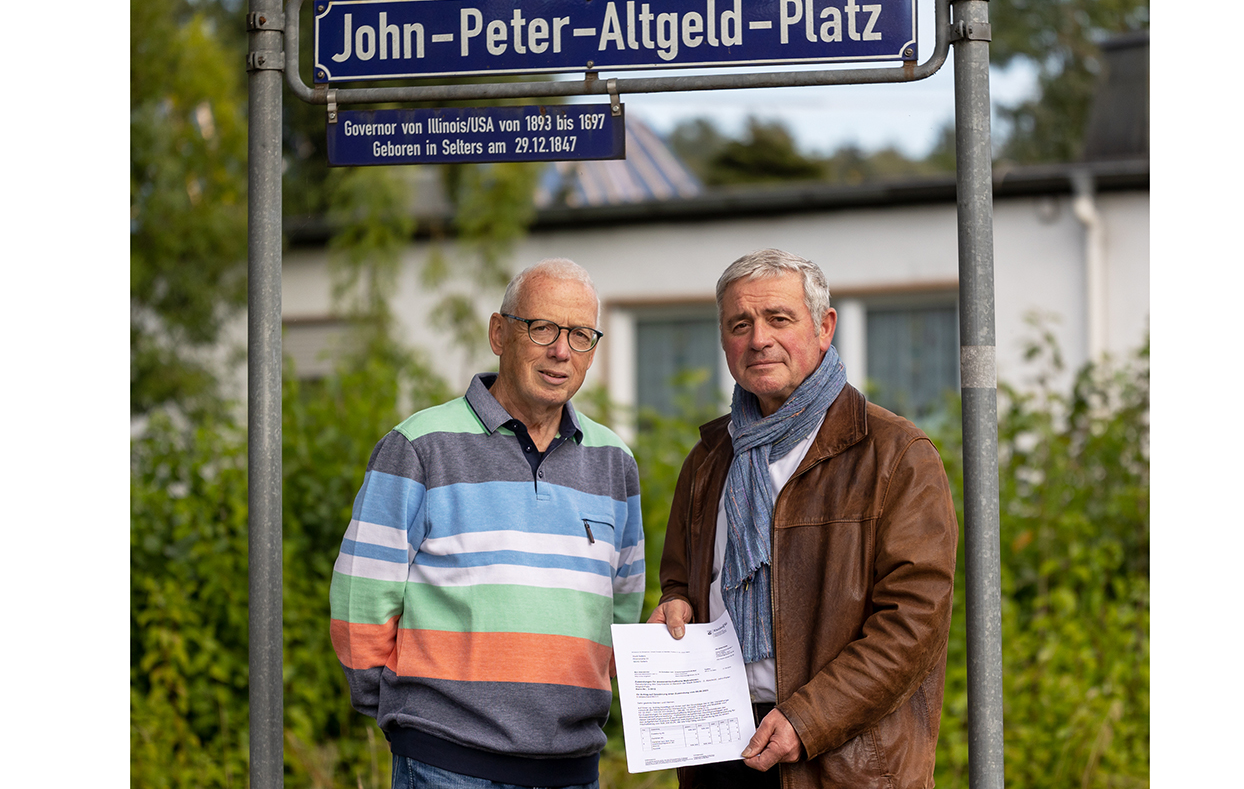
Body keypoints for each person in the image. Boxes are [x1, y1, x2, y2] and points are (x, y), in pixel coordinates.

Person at [648, 249, 958, 789]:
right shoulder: (708, 459)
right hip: (719, 752)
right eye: (739, 324)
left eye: (779, 318)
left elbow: (913, 625)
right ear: (724, 341)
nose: (759, 339)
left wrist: (807, 718)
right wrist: (675, 601)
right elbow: (681, 577)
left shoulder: (896, 453)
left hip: (843, 762)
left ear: (824, 327)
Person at [330, 258, 644, 789]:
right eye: (542, 328)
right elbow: (363, 596)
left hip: (571, 767)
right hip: (445, 762)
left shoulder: (615, 461)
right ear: (500, 333)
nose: (561, 351)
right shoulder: (418, 446)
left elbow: (622, 607)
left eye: (581, 335)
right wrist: (406, 714)